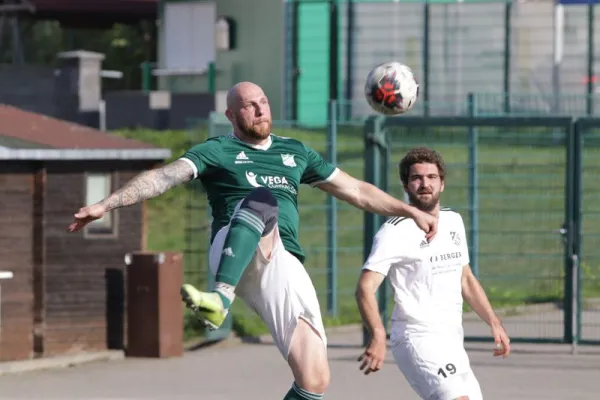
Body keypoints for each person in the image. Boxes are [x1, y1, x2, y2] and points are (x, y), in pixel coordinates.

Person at [67, 82, 437, 400]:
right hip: (233, 250)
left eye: (263, 102)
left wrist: (411, 212)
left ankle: (223, 303)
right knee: (262, 199)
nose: (259, 110)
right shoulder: (217, 150)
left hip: (282, 260)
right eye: (248, 105)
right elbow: (164, 177)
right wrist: (106, 203)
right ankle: (220, 298)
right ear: (231, 115)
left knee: (315, 378)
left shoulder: (294, 152)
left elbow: (355, 190)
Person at [355, 147, 511, 400]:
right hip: (416, 337)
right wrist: (378, 335)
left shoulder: (453, 221)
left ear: (442, 183)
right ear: (405, 185)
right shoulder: (394, 231)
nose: (424, 184)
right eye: (416, 178)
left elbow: (466, 279)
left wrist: (494, 322)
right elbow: (364, 288)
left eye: (431, 177)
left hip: (451, 336)